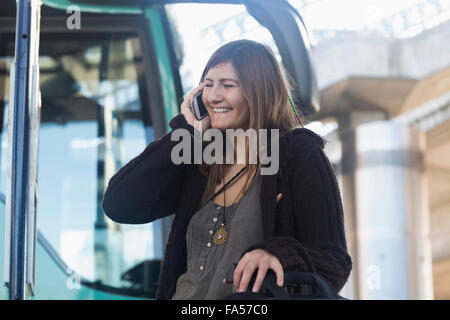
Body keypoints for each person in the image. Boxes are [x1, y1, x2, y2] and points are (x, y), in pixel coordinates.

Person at [102, 39, 352, 300]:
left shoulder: (297, 154)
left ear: (260, 91)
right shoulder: (200, 157)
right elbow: (119, 204)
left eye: (228, 86)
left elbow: (333, 263)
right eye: (207, 85)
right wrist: (187, 131)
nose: (212, 96)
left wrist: (276, 254)